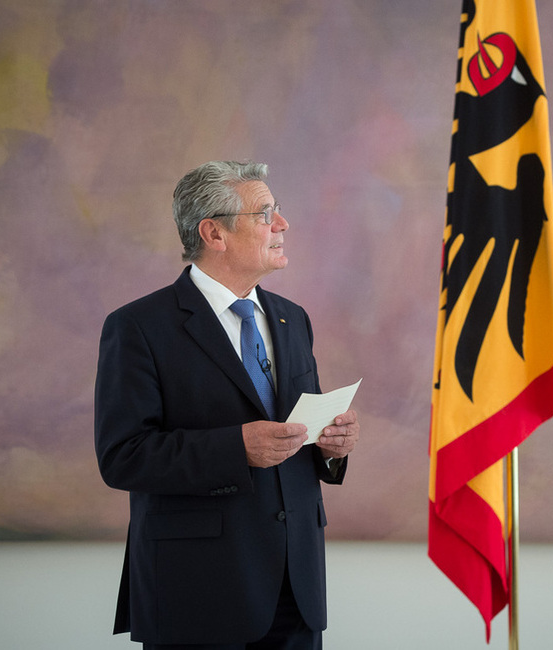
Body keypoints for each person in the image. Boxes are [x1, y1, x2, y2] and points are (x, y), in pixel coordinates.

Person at [95, 160, 360, 649]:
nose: (282, 225)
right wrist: (235, 448)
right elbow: (122, 457)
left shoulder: (291, 319)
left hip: (296, 588)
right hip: (198, 591)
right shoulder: (138, 327)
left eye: (277, 211)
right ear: (213, 233)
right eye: (265, 214)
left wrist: (331, 446)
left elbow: (298, 436)